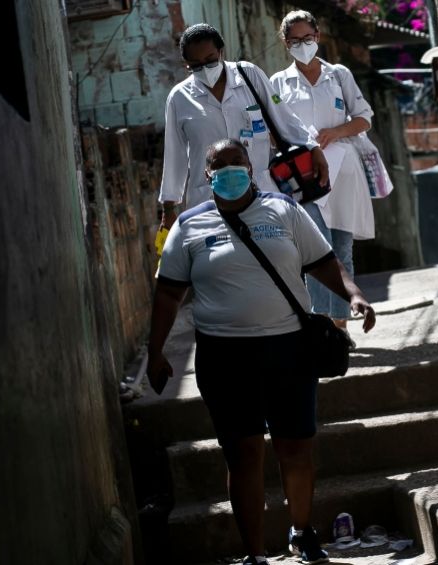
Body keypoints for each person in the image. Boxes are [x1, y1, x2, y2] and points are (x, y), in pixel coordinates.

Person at [147, 139, 376, 564]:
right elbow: (167, 294)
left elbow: (324, 261)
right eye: (220, 165)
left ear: (250, 167)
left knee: (296, 446)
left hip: (289, 348)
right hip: (224, 357)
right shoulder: (189, 226)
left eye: (238, 162)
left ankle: (302, 531)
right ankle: (254, 554)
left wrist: (354, 295)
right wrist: (155, 352)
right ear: (207, 174)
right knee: (243, 452)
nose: (230, 170)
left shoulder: (283, 211)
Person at [270, 10, 376, 346]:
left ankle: (340, 327)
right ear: (286, 43)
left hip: (343, 172)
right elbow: (274, 130)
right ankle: (321, 327)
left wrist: (335, 132)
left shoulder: (339, 75)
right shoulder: (277, 83)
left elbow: (364, 119)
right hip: (305, 180)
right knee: (315, 252)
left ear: (318, 34)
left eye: (308, 37)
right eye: (295, 40)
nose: (303, 45)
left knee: (342, 249)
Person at [158, 23, 329, 230]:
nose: (204, 68)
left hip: (260, 191)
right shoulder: (179, 98)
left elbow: (284, 117)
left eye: (210, 60)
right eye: (196, 65)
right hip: (208, 200)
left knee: (274, 254)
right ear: (186, 64)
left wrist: (313, 147)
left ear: (221, 52)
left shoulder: (249, 76)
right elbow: (174, 156)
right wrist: (168, 210)